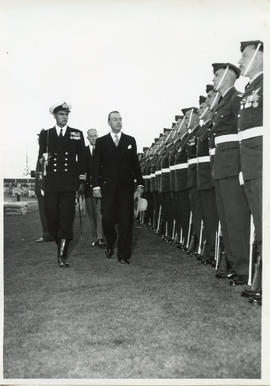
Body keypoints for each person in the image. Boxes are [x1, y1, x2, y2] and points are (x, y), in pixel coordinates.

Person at [211, 63, 250, 286]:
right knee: (226, 220)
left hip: (233, 167)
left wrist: (242, 168)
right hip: (222, 168)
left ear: (228, 76)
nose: (214, 79)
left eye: (217, 75)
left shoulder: (236, 99)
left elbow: (242, 134)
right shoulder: (222, 102)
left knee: (237, 220)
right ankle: (235, 265)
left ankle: (244, 269)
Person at [93, 111, 144, 264]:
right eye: (115, 119)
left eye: (120, 119)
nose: (118, 122)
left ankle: (123, 255)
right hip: (107, 188)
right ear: (108, 122)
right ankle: (110, 243)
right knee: (108, 220)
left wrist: (140, 183)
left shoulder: (130, 140)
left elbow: (135, 164)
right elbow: (95, 166)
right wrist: (96, 186)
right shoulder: (101, 142)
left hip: (126, 189)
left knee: (125, 221)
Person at [38, 102, 85, 268]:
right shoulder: (46, 135)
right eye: (61, 114)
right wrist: (44, 160)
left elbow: (83, 159)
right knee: (51, 217)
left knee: (66, 218)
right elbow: (41, 157)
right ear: (55, 116)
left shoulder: (76, 134)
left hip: (68, 184)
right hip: (51, 183)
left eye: (66, 114)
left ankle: (61, 254)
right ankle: (59, 244)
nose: (64, 117)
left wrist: (80, 181)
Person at [238, 40, 263, 305]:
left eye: (245, 55)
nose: (241, 60)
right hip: (251, 166)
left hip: (261, 165)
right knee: (260, 226)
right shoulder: (251, 88)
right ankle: (260, 281)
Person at [83, 129, 105, 248]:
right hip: (87, 188)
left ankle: (100, 237)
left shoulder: (103, 150)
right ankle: (95, 237)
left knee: (99, 212)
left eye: (95, 136)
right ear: (88, 138)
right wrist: (81, 185)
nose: (93, 138)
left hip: (100, 187)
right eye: (91, 136)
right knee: (91, 214)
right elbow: (81, 169)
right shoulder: (84, 151)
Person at [33, 130, 53, 242]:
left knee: (45, 210)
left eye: (39, 138)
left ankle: (47, 234)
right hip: (42, 186)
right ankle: (49, 233)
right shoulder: (42, 152)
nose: (38, 140)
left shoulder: (45, 154)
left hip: (44, 186)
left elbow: (43, 171)